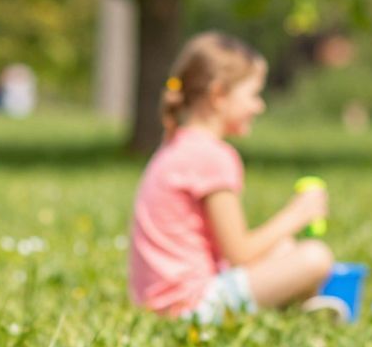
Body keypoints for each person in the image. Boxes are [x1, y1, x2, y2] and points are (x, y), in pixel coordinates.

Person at [129, 32, 333, 322]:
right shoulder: (212, 156)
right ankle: (303, 316)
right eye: (253, 95)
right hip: (189, 307)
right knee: (315, 257)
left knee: (284, 249)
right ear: (218, 95)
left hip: (158, 304)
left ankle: (300, 313)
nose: (259, 106)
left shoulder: (176, 143)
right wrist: (297, 214)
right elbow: (239, 253)